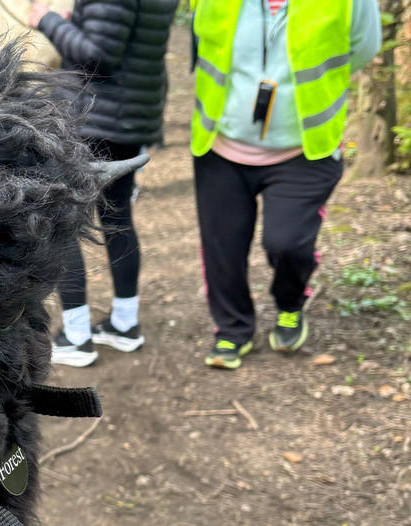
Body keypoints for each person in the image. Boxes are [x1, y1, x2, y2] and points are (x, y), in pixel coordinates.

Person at [191, 0, 381, 369]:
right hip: (221, 144)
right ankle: (232, 329)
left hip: (304, 149)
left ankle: (290, 303)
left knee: (288, 243)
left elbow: (362, 48)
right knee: (223, 248)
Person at [28, 0, 179, 368]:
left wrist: (48, 20)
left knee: (62, 220)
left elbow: (98, 56)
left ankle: (77, 336)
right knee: (117, 216)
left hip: (93, 117)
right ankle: (124, 324)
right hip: (131, 115)